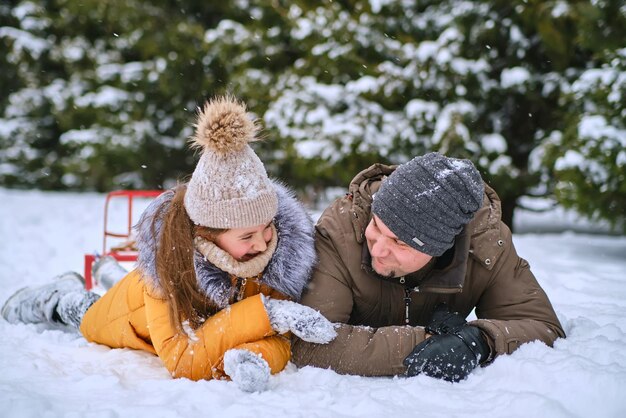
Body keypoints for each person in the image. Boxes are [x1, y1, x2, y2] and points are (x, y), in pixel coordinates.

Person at [1, 96, 336, 392]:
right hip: (124, 318)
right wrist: (268, 312)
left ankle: (107, 272)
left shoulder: (275, 254)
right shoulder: (169, 268)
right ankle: (54, 297)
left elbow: (274, 338)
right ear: (206, 235)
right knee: (86, 312)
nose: (264, 244)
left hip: (155, 307)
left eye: (266, 229)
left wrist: (252, 355)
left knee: (117, 283)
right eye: (247, 236)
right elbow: (185, 359)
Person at [291, 152, 565, 382]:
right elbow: (310, 342)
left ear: (440, 247)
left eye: (400, 243)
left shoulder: (486, 245)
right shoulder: (340, 232)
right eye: (376, 226)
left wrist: (479, 340)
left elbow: (542, 326)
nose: (378, 248)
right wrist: (426, 342)